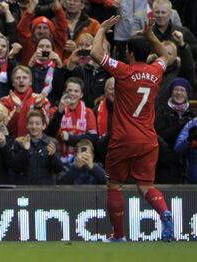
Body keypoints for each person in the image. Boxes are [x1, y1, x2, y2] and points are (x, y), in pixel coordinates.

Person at [90, 16, 173, 242]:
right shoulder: (156, 71)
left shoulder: (123, 70)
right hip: (148, 139)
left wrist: (102, 28)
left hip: (123, 138)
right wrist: (151, 35)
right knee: (146, 185)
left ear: (129, 52)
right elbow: (167, 55)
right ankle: (164, 212)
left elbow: (95, 54)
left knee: (115, 185)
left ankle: (118, 235)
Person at [155, 77, 194, 183]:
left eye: (182, 90)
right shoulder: (162, 111)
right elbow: (158, 134)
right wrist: (179, 125)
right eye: (176, 89)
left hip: (185, 163)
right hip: (165, 163)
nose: (179, 93)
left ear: (187, 94)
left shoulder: (191, 115)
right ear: (171, 92)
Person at [11, 109, 62, 185]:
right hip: (25, 189)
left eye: (37, 123)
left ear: (44, 126)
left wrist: (52, 156)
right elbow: (16, 169)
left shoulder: (52, 143)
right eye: (31, 123)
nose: (34, 126)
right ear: (27, 125)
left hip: (45, 189)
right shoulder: (19, 142)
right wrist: (25, 151)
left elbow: (58, 170)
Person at [0, 65, 50, 138]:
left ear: (30, 82)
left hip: (35, 144)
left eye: (25, 77)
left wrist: (38, 107)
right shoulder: (5, 101)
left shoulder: (42, 100)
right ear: (13, 83)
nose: (21, 80)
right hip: (12, 144)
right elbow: (5, 128)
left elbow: (46, 125)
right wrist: (17, 109)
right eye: (17, 78)